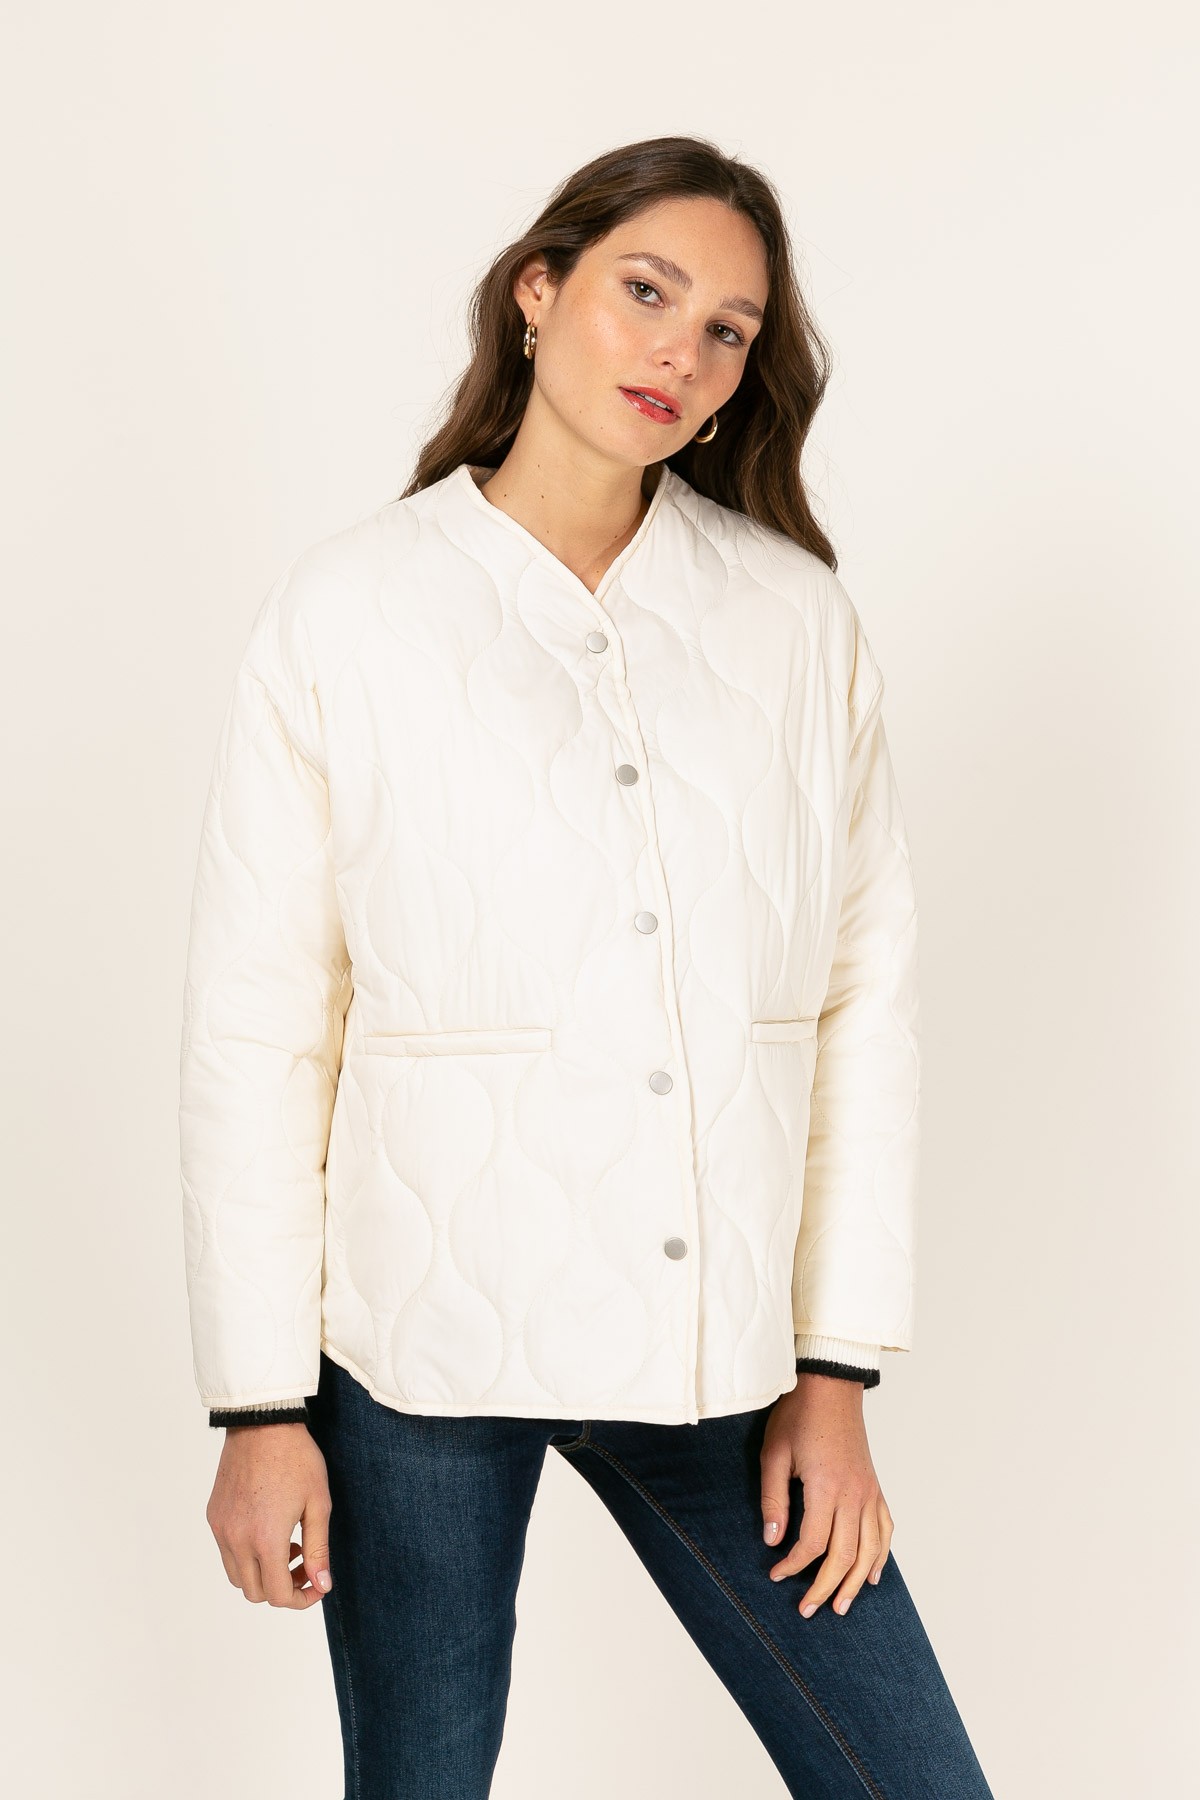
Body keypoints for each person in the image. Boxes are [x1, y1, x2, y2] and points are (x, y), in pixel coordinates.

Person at [179, 134, 994, 1798]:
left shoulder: (795, 624)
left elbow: (862, 1010)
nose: (681, 353)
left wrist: (834, 1373)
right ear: (538, 293)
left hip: (715, 1357)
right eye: (647, 292)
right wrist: (258, 1407)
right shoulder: (349, 612)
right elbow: (261, 1029)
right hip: (416, 1356)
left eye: (728, 331)